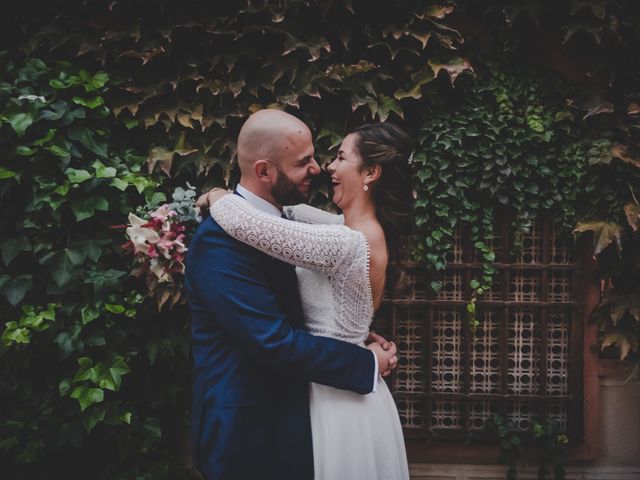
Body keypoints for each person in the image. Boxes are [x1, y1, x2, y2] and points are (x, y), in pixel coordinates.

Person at [184, 109, 399, 480]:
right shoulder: (219, 242)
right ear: (265, 171)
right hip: (248, 432)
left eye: (324, 157)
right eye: (304, 162)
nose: (319, 168)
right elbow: (272, 341)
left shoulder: (291, 226)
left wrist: (349, 331)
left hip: (305, 417)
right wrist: (363, 362)